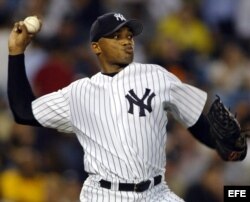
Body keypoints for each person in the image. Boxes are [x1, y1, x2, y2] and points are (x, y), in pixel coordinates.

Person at [7, 12, 247, 202]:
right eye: (116, 36)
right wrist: (16, 53)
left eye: (129, 36)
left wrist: (222, 146)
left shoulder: (156, 76)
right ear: (96, 47)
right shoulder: (78, 92)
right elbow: (23, 111)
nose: (126, 41)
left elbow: (195, 120)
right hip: (104, 195)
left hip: (156, 192)